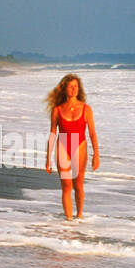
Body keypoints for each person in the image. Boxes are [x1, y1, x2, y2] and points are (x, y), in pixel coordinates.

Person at [44, 73, 99, 220]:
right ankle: (69, 220)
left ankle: (79, 216)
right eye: (71, 87)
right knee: (66, 185)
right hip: (62, 145)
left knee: (78, 184)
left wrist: (96, 155)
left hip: (80, 145)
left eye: (76, 86)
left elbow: (92, 133)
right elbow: (52, 133)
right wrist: (48, 157)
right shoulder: (57, 110)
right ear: (65, 89)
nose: (74, 89)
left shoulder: (86, 109)